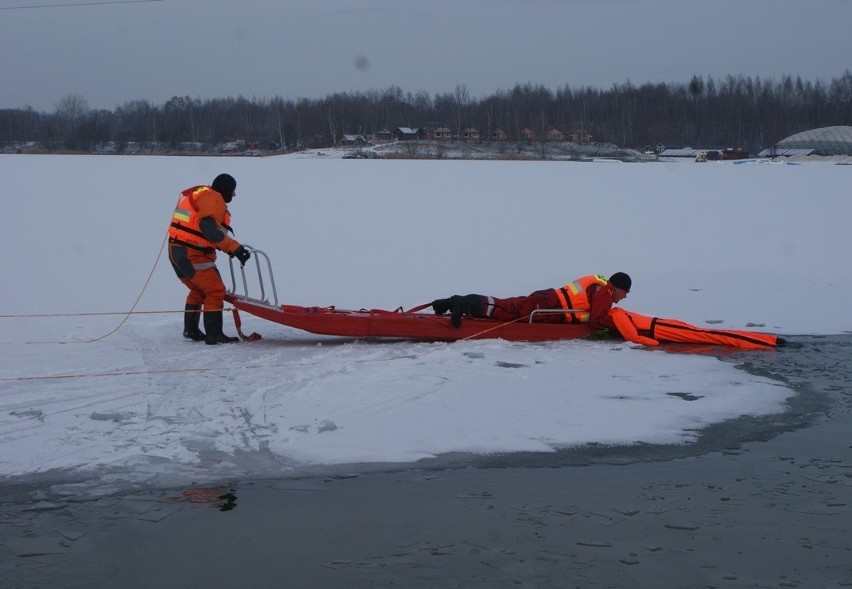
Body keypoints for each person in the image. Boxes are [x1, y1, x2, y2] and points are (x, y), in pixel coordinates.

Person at [167, 173, 251, 344]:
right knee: (215, 290)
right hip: (192, 253)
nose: (234, 195)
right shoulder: (214, 198)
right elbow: (208, 227)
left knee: (199, 290)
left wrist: (228, 249)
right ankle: (214, 335)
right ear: (226, 189)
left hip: (177, 251)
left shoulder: (203, 194)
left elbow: (205, 231)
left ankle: (191, 330)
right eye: (233, 191)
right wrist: (235, 248)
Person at [431, 272, 632, 329]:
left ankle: (450, 302)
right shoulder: (604, 293)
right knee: (507, 310)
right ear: (617, 287)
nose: (624, 297)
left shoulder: (600, 286)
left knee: (506, 305)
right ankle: (462, 304)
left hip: (546, 300)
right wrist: (617, 324)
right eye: (624, 293)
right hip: (548, 306)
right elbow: (597, 320)